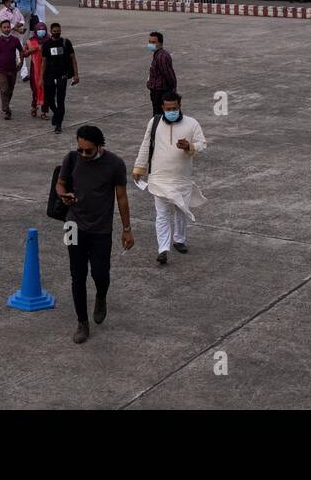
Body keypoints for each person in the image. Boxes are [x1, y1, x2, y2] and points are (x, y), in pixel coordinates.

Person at [55, 125, 133, 344]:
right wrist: (64, 196)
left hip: (101, 229)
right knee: (77, 275)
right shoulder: (71, 159)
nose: (83, 155)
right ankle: (82, 322)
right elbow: (59, 185)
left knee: (100, 273)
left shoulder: (115, 164)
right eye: (80, 150)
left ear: (100, 146)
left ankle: (100, 295)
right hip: (73, 226)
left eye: (88, 151)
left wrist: (127, 230)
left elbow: (122, 198)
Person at [132, 92, 208, 264]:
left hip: (182, 179)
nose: (172, 111)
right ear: (162, 108)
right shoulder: (154, 122)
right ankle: (163, 249)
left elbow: (202, 144)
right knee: (162, 215)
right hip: (159, 178)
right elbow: (146, 145)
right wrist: (139, 167)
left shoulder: (192, 123)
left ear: (180, 106)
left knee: (181, 212)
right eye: (168, 109)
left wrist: (189, 146)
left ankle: (179, 240)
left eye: (175, 108)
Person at [41, 21, 79, 134]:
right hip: (49, 75)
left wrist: (76, 75)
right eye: (54, 31)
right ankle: (57, 114)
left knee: (60, 100)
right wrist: (41, 78)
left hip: (62, 75)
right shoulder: (46, 44)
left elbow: (73, 59)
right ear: (50, 32)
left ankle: (58, 124)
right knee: (49, 99)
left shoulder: (66, 43)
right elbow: (43, 62)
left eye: (58, 31)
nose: (57, 33)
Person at [0, 19, 25, 119]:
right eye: (5, 27)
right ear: (1, 28)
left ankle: (6, 106)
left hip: (13, 69)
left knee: (10, 91)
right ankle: (6, 109)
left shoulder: (15, 40)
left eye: (8, 27)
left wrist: (21, 62)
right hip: (1, 70)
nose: (7, 29)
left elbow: (21, 51)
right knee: (4, 89)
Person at [146, 31, 177, 116]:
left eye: (153, 42)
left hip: (160, 92)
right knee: (157, 114)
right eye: (149, 42)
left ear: (160, 43)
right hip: (156, 91)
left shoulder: (162, 56)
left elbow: (169, 75)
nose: (150, 44)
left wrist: (172, 89)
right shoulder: (157, 54)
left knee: (158, 115)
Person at [25, 21, 48, 118]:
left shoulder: (49, 40)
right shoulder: (31, 41)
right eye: (39, 30)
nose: (41, 31)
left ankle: (44, 112)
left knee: (46, 90)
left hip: (47, 68)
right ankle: (34, 107)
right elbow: (24, 53)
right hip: (35, 69)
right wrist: (32, 50)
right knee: (35, 89)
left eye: (43, 30)